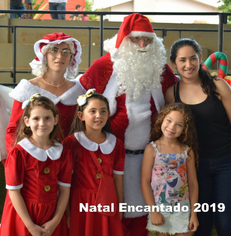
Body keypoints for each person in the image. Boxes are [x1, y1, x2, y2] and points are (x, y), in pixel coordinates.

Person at [79, 13, 178, 236]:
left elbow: (177, 98)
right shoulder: (103, 66)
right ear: (124, 40)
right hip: (110, 157)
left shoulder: (160, 68)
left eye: (148, 40)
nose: (142, 45)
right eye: (136, 39)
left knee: (141, 221)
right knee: (110, 217)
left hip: (149, 159)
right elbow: (81, 101)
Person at [165, 38, 231, 236]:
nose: (188, 64)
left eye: (193, 58)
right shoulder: (171, 94)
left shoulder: (219, 86)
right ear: (174, 64)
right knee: (202, 223)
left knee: (224, 222)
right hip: (195, 167)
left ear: (200, 58)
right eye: (182, 60)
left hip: (228, 163)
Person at [0, 94, 73, 236]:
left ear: (55, 120)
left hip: (52, 217)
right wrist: (30, 226)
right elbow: (14, 192)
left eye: (47, 118)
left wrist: (55, 221)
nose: (42, 123)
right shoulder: (19, 153)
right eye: (36, 119)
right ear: (27, 121)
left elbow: (64, 190)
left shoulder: (63, 152)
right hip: (24, 217)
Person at [6, 32, 84, 154]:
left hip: (69, 159)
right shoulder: (28, 88)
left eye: (65, 51)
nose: (60, 56)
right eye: (54, 50)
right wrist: (17, 161)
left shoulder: (78, 90)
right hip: (35, 160)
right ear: (44, 55)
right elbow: (13, 131)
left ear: (71, 57)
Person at [63, 89, 125, 236]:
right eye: (92, 111)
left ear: (108, 114)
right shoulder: (72, 143)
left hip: (107, 204)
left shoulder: (116, 144)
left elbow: (118, 179)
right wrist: (67, 213)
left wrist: (120, 208)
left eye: (103, 111)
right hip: (80, 205)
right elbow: (65, 182)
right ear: (81, 116)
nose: (99, 116)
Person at [141, 103, 199, 236]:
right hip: (160, 208)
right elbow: (144, 182)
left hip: (183, 208)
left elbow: (193, 184)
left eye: (179, 124)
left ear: (185, 128)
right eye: (169, 120)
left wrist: (194, 214)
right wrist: (153, 211)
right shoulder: (151, 149)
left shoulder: (187, 151)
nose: (172, 127)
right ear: (162, 119)